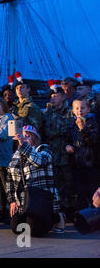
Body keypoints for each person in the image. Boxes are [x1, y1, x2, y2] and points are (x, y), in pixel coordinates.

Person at [6, 125, 65, 237]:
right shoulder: (17, 154)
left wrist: (23, 145)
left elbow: (39, 161)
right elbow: (9, 178)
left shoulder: (44, 149)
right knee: (16, 227)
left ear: (35, 137)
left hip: (41, 199)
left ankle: (57, 217)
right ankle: (35, 219)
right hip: (24, 201)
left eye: (27, 136)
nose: (23, 139)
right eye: (21, 137)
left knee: (35, 231)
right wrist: (12, 200)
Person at [42, 80, 76, 220]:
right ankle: (60, 208)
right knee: (57, 182)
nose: (53, 98)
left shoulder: (69, 111)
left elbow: (69, 129)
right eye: (51, 96)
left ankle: (72, 209)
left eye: (56, 96)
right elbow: (46, 132)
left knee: (70, 182)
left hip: (66, 152)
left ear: (63, 96)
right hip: (53, 152)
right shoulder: (47, 113)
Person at [65, 98, 99, 210]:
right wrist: (67, 145)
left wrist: (82, 128)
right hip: (77, 164)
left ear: (88, 109)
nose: (80, 110)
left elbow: (92, 141)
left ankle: (94, 216)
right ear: (73, 110)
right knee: (80, 192)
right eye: (77, 108)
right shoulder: (71, 123)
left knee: (92, 192)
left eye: (83, 108)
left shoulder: (93, 123)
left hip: (91, 164)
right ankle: (83, 217)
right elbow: (67, 138)